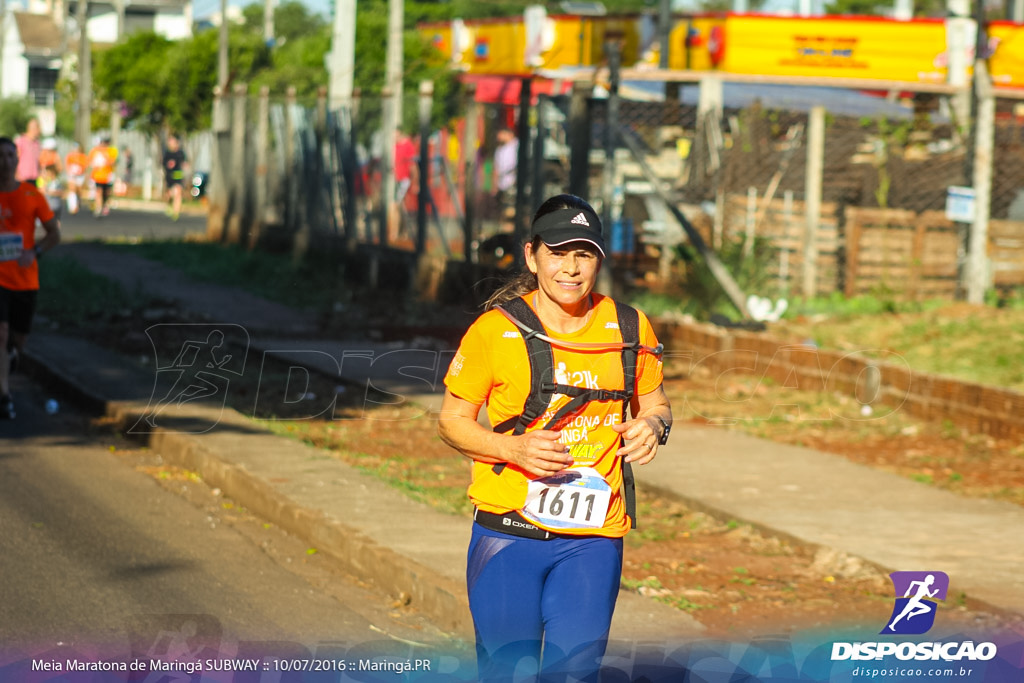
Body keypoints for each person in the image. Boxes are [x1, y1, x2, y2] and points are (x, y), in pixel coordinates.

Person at [437, 194, 673, 682]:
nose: (570, 268)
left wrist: (653, 426)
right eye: (557, 252)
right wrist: (511, 448)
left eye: (583, 254)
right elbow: (451, 421)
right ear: (531, 256)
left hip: (593, 538)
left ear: (599, 260)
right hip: (508, 534)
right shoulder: (494, 331)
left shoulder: (628, 326)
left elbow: (655, 403)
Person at [0, 136, 61, 419]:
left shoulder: (31, 195)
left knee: (17, 341)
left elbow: (54, 234)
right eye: (1, 156)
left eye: (11, 155)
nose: (6, 161)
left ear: (17, 160)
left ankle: (10, 360)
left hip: (25, 279)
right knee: (1, 334)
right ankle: (4, 396)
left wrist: (33, 252)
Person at [87, 137, 118, 217]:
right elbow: (90, 162)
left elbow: (113, 162)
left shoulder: (111, 151)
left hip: (107, 175)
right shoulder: (94, 151)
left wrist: (106, 157)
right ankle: (98, 208)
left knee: (107, 192)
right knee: (99, 191)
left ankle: (104, 204)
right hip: (97, 176)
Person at [492, 127, 518, 222]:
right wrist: (495, 186)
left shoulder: (517, 145)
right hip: (503, 185)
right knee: (505, 209)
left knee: (511, 209)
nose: (499, 137)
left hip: (513, 183)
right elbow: (496, 169)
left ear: (509, 134)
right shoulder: (499, 150)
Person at [162, 135, 188, 220]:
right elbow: (164, 164)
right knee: (169, 194)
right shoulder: (167, 153)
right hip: (170, 176)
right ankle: (169, 205)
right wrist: (168, 165)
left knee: (178, 193)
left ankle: (176, 212)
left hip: (178, 175)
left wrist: (185, 165)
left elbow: (184, 162)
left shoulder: (180, 153)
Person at [14, 118, 42, 185]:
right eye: (39, 129)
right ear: (34, 129)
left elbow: (38, 162)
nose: (40, 131)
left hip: (34, 179)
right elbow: (15, 159)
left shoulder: (37, 144)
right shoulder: (20, 141)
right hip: (22, 179)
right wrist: (17, 175)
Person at [64, 141, 88, 214]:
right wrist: (70, 173)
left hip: (80, 176)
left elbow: (85, 166)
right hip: (72, 175)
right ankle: (72, 206)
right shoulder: (70, 156)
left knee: (78, 190)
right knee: (72, 189)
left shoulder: (83, 156)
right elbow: (67, 165)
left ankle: (77, 201)